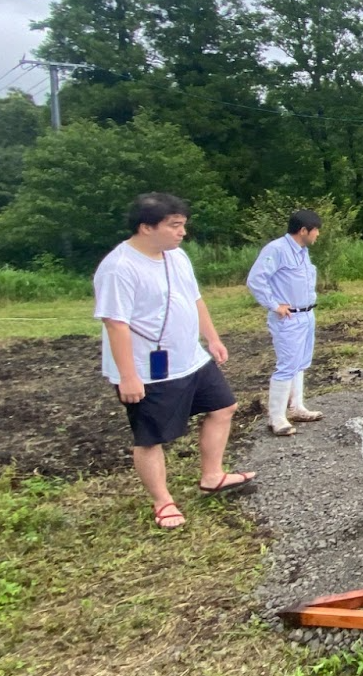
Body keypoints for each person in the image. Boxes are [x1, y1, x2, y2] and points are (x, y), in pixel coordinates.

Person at [93, 192, 251, 530]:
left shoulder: (176, 256)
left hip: (190, 357)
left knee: (224, 407)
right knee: (151, 436)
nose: (182, 232)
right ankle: (163, 501)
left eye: (183, 225)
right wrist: (128, 376)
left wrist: (212, 338)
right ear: (146, 227)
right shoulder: (119, 268)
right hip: (146, 369)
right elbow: (115, 324)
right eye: (174, 225)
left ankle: (212, 475)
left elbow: (195, 298)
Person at [246, 209, 323, 436]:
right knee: (287, 365)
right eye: (316, 230)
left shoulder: (302, 252)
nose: (318, 234)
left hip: (306, 314)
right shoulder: (277, 249)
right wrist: (273, 304)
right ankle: (277, 417)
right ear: (304, 230)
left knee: (300, 362)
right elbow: (256, 279)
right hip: (288, 317)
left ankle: (296, 407)